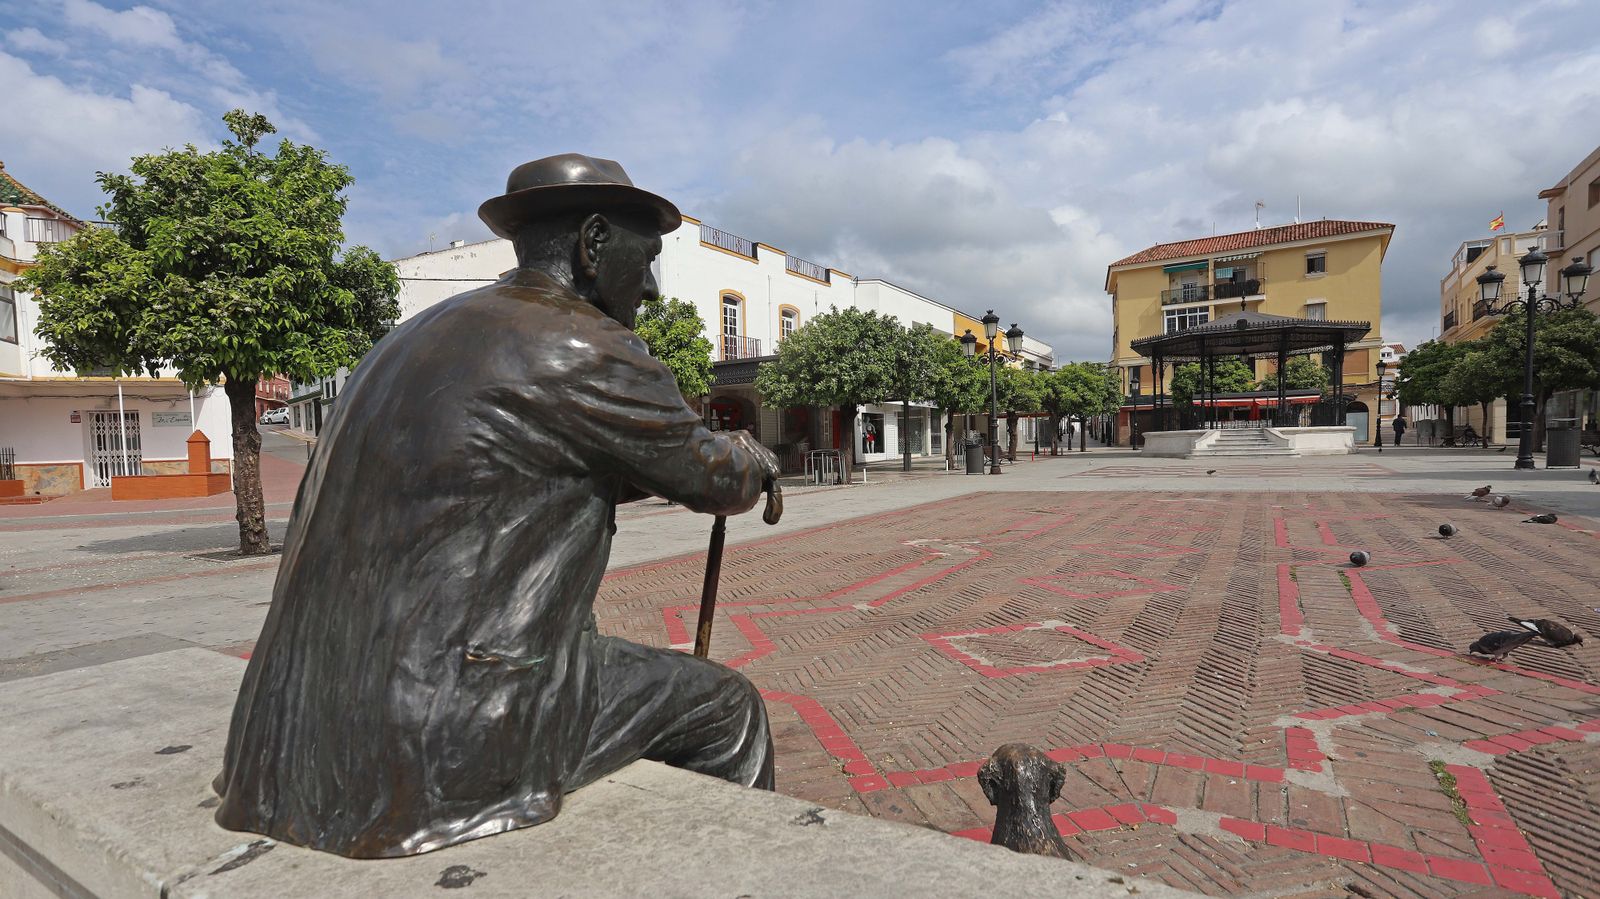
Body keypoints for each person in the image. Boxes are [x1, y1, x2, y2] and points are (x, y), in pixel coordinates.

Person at [214, 155, 781, 859]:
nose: (654, 285)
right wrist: (751, 458)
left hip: (291, 734)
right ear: (594, 243)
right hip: (449, 731)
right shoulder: (585, 344)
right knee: (728, 709)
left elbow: (520, 471)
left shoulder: (405, 342)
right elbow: (712, 479)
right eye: (649, 257)